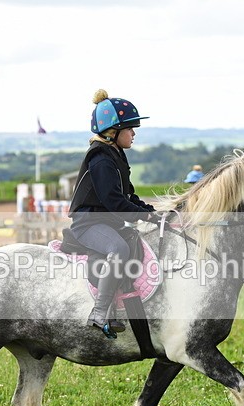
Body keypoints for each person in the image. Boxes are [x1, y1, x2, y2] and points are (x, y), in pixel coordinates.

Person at [68, 89, 157, 338]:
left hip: (106, 221)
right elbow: (115, 202)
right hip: (88, 223)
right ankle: (99, 312)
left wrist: (151, 211)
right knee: (118, 249)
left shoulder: (116, 155)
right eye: (130, 129)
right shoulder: (101, 159)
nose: (134, 133)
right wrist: (142, 215)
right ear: (113, 132)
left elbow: (128, 196)